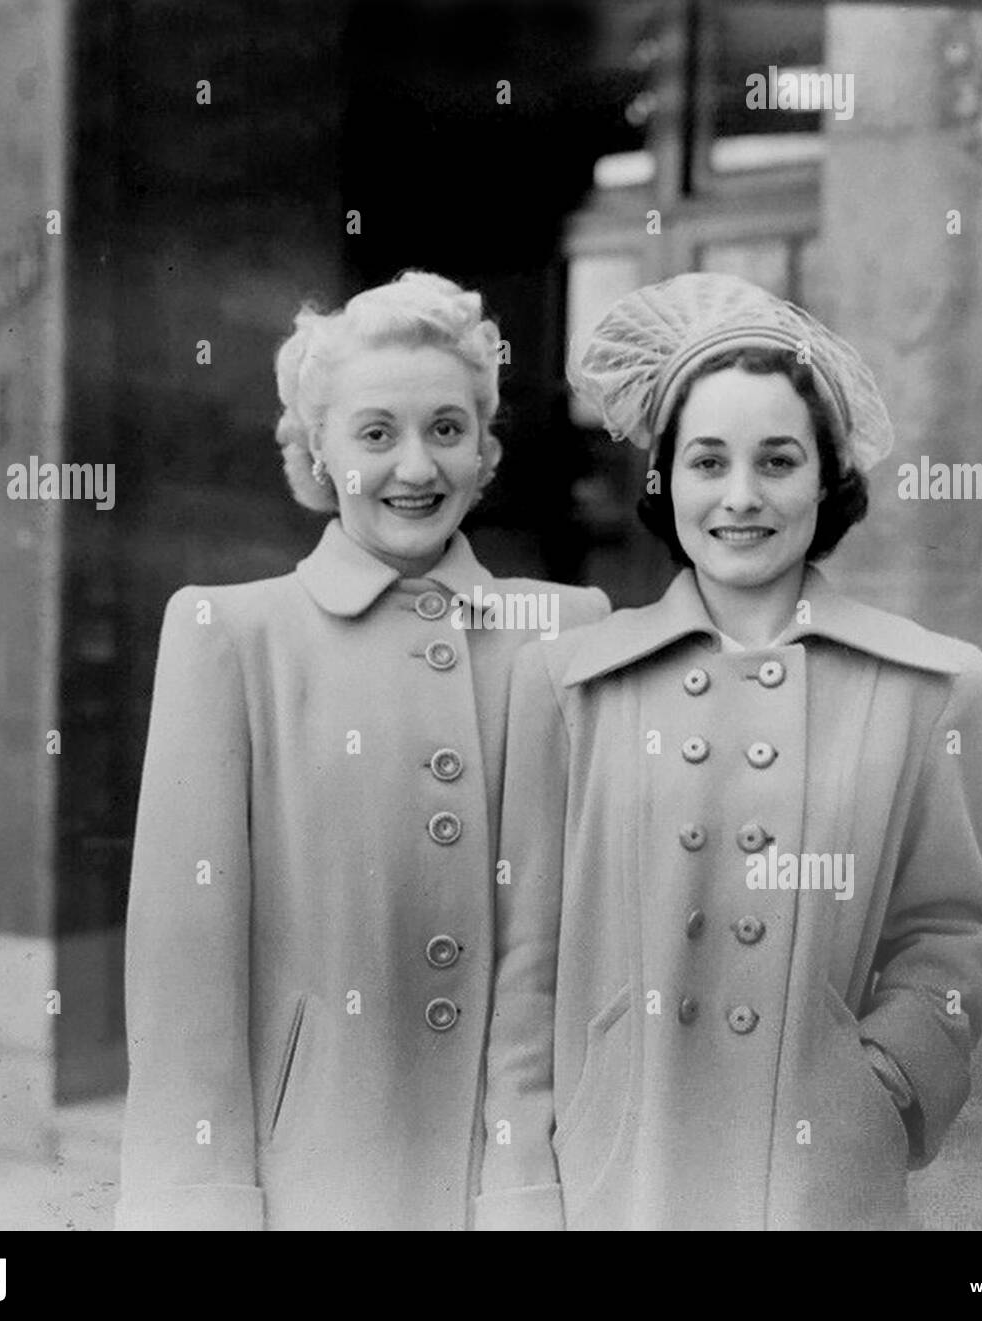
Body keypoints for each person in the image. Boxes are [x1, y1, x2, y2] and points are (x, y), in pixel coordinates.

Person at [476, 272, 982, 1230]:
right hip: (616, 1173)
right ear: (665, 477)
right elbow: (528, 968)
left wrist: (879, 1083)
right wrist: (522, 1184)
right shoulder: (568, 684)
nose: (740, 497)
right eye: (707, 460)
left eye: (777, 461)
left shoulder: (932, 686)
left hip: (820, 1178)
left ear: (827, 479)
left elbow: (953, 935)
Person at [115, 271, 608, 1230]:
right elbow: (186, 979)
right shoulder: (231, 634)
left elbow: (577, 940)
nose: (416, 468)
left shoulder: (570, 630)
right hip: (310, 1179)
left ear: (487, 451)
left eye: (448, 430)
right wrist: (198, 1205)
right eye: (376, 434)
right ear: (314, 452)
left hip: (516, 1177)